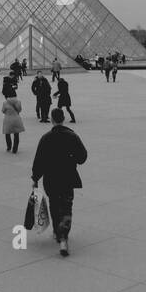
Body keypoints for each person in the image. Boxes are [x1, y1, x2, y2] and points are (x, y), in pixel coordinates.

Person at [31, 108, 87, 257]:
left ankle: (57, 231)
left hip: (51, 179)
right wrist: (71, 158)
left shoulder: (46, 138)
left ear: (52, 119)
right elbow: (82, 157)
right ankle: (64, 236)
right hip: (68, 177)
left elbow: (39, 161)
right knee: (67, 207)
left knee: (55, 205)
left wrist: (35, 178)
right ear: (63, 118)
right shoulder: (72, 137)